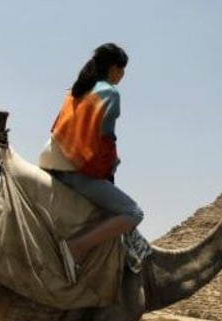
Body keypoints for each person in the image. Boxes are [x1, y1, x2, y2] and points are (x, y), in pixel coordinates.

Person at [38, 43, 143, 284]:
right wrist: (111, 166)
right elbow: (105, 140)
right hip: (73, 168)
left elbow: (58, 128)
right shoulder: (111, 93)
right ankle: (77, 248)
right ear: (115, 68)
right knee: (133, 213)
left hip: (48, 158)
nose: (123, 75)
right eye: (123, 69)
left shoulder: (74, 90)